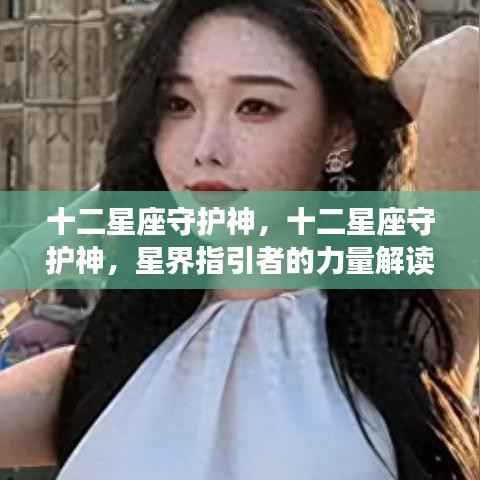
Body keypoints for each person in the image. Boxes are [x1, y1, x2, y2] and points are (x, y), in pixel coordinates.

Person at [0, 1, 478, 479]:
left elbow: (463, 62)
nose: (205, 149)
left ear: (338, 128)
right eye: (178, 106)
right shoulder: (100, 374)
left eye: (255, 107)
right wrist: (99, 214)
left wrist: (367, 116)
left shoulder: (412, 337)